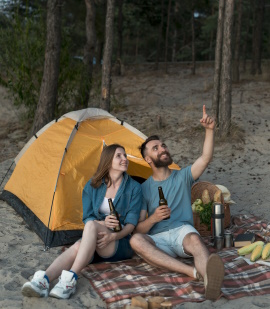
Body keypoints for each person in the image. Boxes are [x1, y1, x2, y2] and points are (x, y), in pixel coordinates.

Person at [21, 143, 142, 299]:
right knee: (79, 243)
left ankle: (69, 280)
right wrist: (104, 223)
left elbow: (131, 224)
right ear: (108, 161)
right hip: (95, 240)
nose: (124, 159)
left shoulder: (134, 188)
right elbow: (88, 218)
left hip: (119, 242)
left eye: (125, 155)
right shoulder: (93, 186)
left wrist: (113, 236)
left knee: (87, 234)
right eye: (119, 156)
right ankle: (44, 280)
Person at [130, 105, 225, 301]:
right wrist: (154, 218)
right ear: (148, 159)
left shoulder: (183, 176)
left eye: (163, 145)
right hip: (159, 241)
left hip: (183, 233)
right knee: (135, 240)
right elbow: (139, 229)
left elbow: (205, 158)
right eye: (156, 148)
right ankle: (192, 272)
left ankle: (211, 282)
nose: (162, 148)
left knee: (196, 241)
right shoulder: (143, 188)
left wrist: (209, 130)